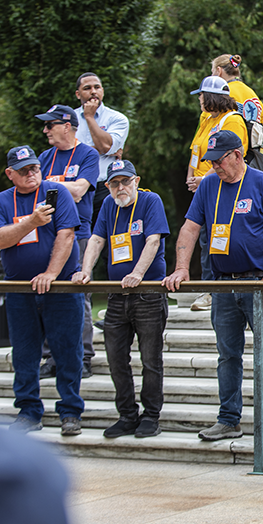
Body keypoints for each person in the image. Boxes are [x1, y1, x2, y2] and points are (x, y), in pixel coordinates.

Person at [163, 130, 263, 445]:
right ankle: (228, 419)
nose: (214, 166)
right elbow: (191, 228)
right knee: (227, 355)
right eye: (211, 161)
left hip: (257, 281)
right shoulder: (208, 184)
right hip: (222, 284)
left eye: (219, 160)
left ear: (237, 154)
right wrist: (181, 267)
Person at [0, 145, 85, 436]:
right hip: (20, 289)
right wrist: (31, 221)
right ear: (10, 174)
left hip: (60, 287)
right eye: (23, 170)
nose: (31, 174)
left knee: (68, 350)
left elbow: (67, 234)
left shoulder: (58, 193)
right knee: (24, 353)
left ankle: (70, 411)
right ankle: (29, 411)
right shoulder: (2, 201)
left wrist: (51, 274)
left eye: (34, 168)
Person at [72, 159, 169, 438]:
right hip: (117, 295)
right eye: (114, 183)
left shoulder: (151, 201)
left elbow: (154, 241)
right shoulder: (108, 207)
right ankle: (127, 414)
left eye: (125, 181)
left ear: (136, 181)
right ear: (108, 186)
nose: (120, 187)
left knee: (151, 359)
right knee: (116, 359)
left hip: (147, 294)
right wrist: (85, 271)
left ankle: (151, 415)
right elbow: (96, 240)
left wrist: (138, 274)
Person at [35, 104, 100, 380]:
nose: (45, 130)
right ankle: (51, 356)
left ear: (67, 126)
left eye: (50, 125)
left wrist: (52, 186)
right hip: (48, 234)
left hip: (79, 232)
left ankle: (83, 355)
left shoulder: (87, 153)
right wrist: (62, 187)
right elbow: (33, 192)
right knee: (48, 292)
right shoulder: (44, 156)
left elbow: (80, 190)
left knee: (79, 292)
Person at [185, 75, 250, 313]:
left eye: (201, 95)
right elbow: (196, 149)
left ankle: (213, 289)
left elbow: (235, 158)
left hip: (221, 186)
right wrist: (191, 176)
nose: (199, 99)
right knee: (204, 237)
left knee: (214, 236)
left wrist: (204, 178)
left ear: (211, 96)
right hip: (203, 187)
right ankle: (209, 287)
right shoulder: (206, 119)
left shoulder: (231, 121)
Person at [72, 72, 129, 214]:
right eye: (87, 88)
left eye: (97, 87)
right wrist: (100, 149)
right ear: (78, 94)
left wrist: (89, 117)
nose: (93, 92)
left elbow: (105, 146)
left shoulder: (117, 118)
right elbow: (66, 151)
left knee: (107, 233)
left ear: (102, 90)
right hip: (76, 188)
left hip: (107, 187)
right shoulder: (69, 120)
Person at [212, 53, 263, 172]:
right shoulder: (252, 94)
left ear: (218, 71)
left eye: (212, 72)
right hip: (254, 159)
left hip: (231, 158)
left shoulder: (222, 94)